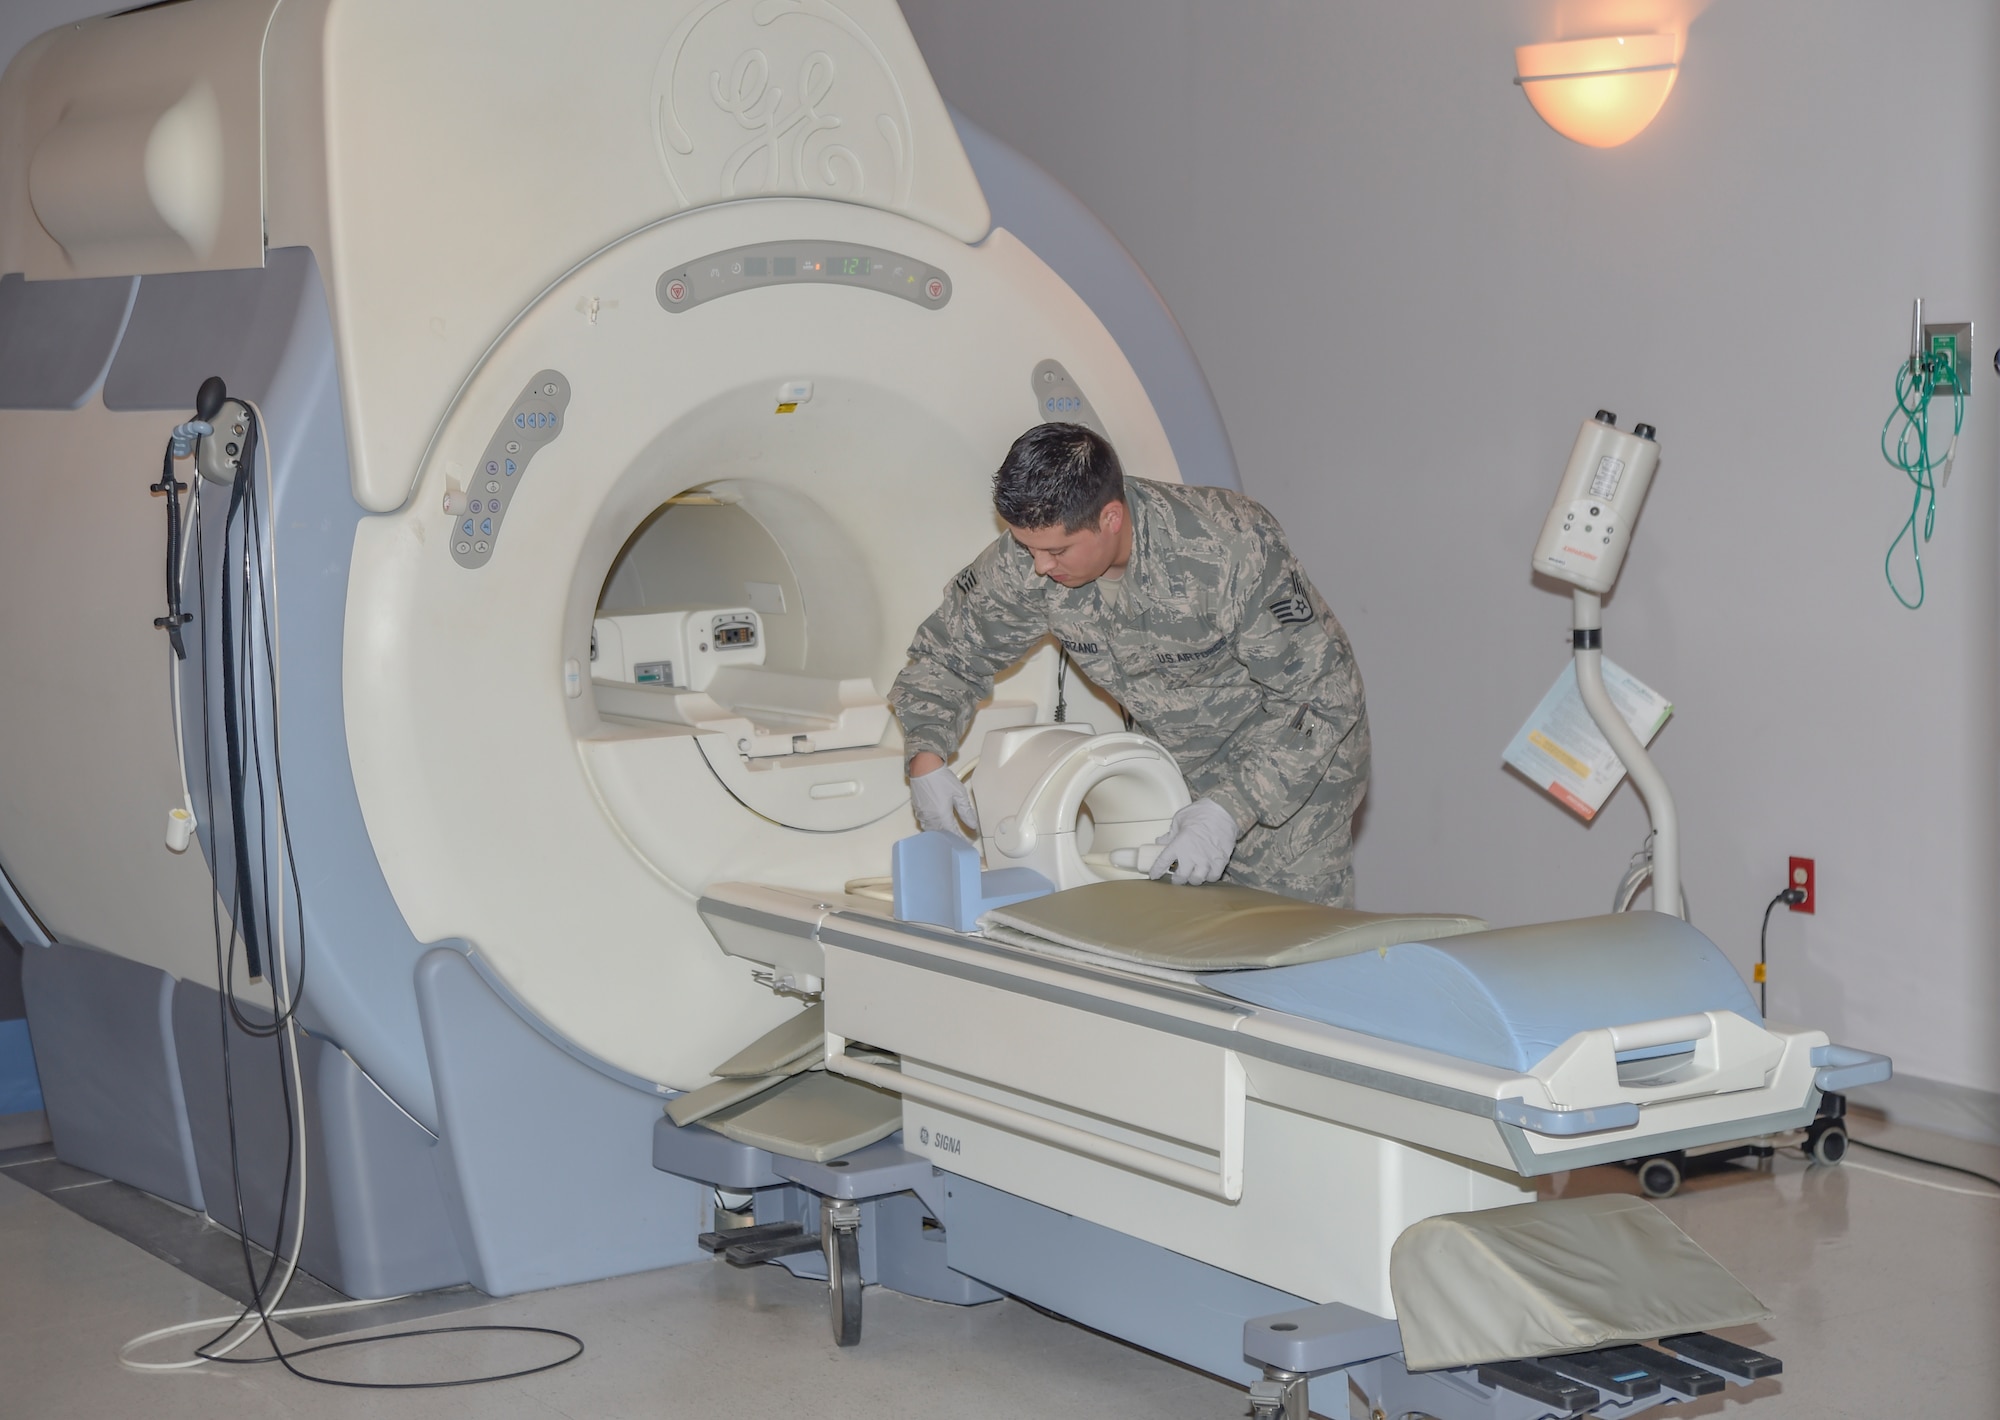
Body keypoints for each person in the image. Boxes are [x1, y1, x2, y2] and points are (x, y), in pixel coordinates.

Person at [890, 422, 1370, 907]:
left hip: (1293, 772)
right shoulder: (1029, 559)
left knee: (1285, 945)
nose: (1039, 567)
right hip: (1177, 768)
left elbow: (1324, 696)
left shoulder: (1227, 547)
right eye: (1029, 548)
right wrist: (925, 758)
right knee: (1183, 945)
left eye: (1056, 551)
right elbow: (947, 654)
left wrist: (1229, 810)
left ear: (1111, 519)